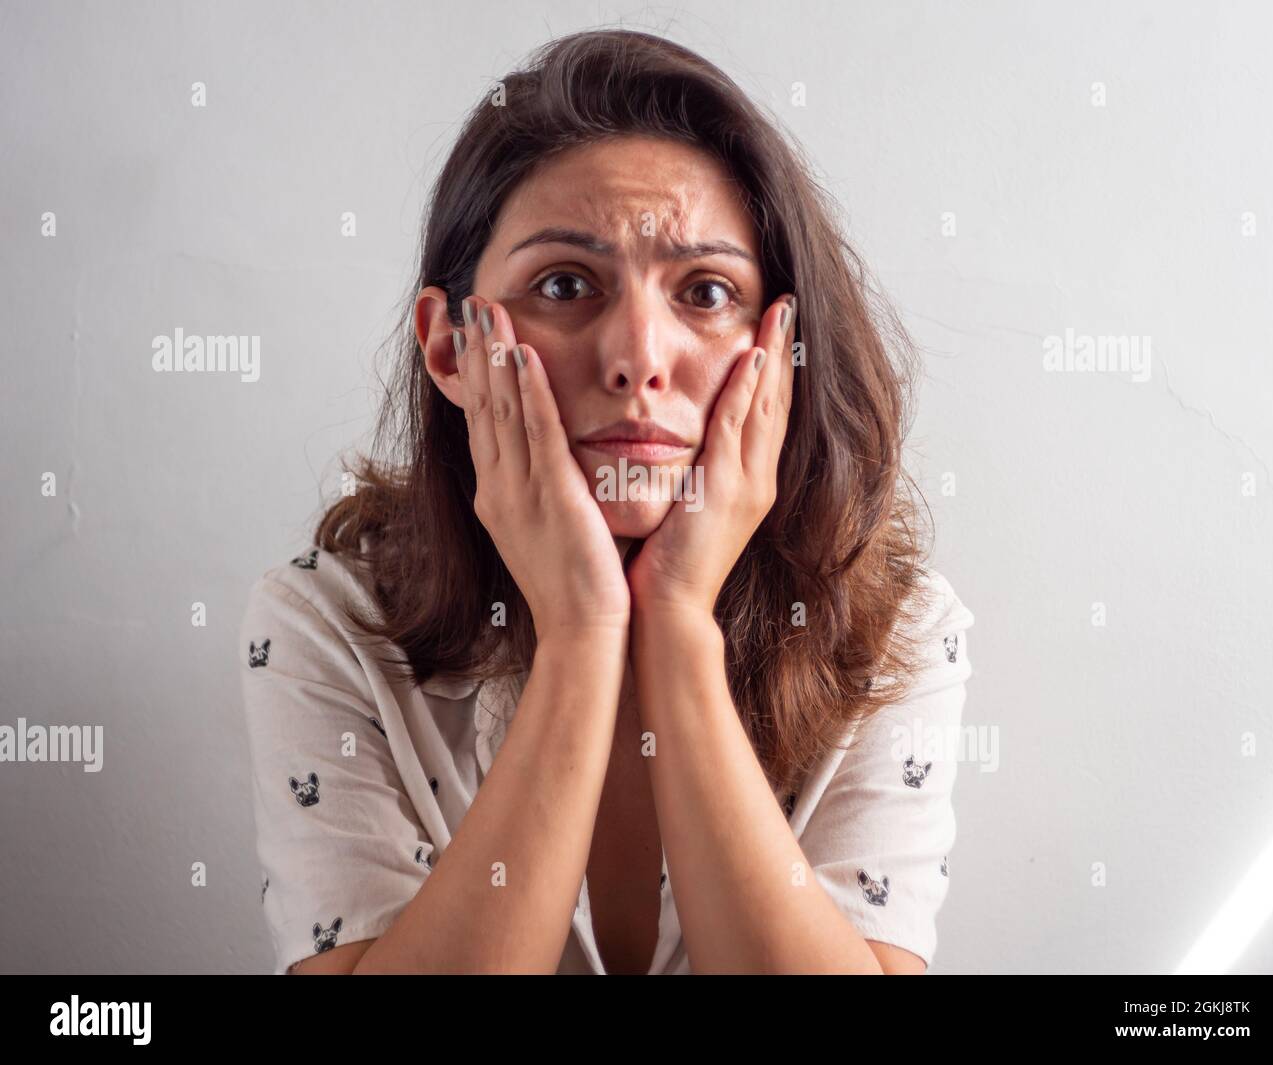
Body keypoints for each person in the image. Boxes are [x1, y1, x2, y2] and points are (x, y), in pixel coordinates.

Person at [238, 28, 975, 975]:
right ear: (450, 346)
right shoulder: (325, 625)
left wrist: (676, 623)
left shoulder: (894, 634)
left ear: (782, 348)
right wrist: (585, 632)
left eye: (706, 291)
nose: (637, 358)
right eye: (563, 284)